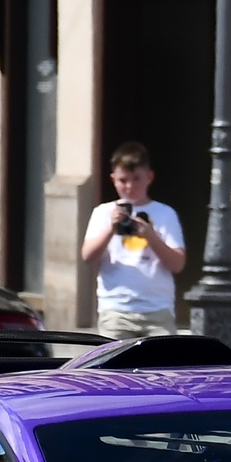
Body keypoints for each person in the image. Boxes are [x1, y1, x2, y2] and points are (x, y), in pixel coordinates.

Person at [81, 142, 186, 339]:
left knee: (163, 367)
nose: (129, 186)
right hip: (116, 310)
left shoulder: (165, 214)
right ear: (113, 180)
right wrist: (111, 228)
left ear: (149, 177)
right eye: (123, 180)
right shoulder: (103, 213)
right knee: (115, 369)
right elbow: (88, 256)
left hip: (157, 310)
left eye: (136, 179)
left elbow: (177, 264)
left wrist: (151, 237)